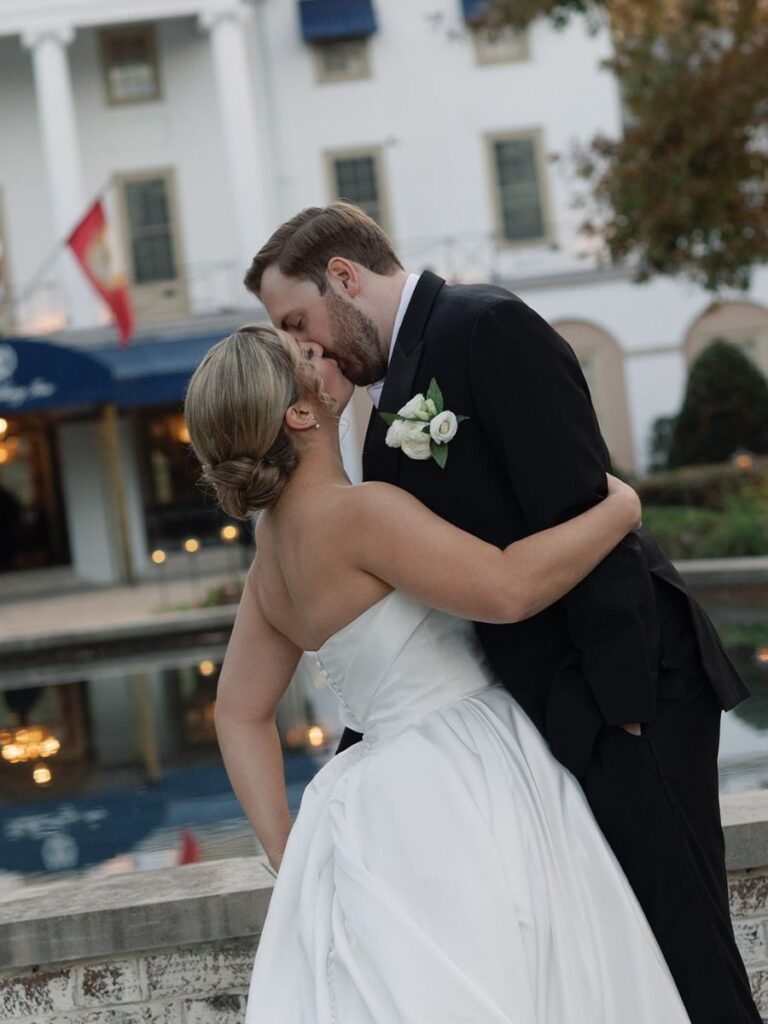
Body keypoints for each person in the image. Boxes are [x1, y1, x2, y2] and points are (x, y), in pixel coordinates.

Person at [242, 203, 760, 1024]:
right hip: (541, 722)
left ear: (343, 276)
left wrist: (622, 716)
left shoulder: (484, 329)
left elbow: (581, 508)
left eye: (300, 323)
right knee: (625, 963)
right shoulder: (380, 415)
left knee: (687, 948)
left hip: (630, 698)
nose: (307, 351)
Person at [185, 325, 691, 1022]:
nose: (322, 351)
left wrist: (288, 851)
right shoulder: (360, 515)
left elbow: (237, 712)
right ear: (299, 413)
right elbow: (509, 590)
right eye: (305, 357)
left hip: (371, 798)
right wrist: (620, 512)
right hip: (459, 771)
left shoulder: (269, 560)